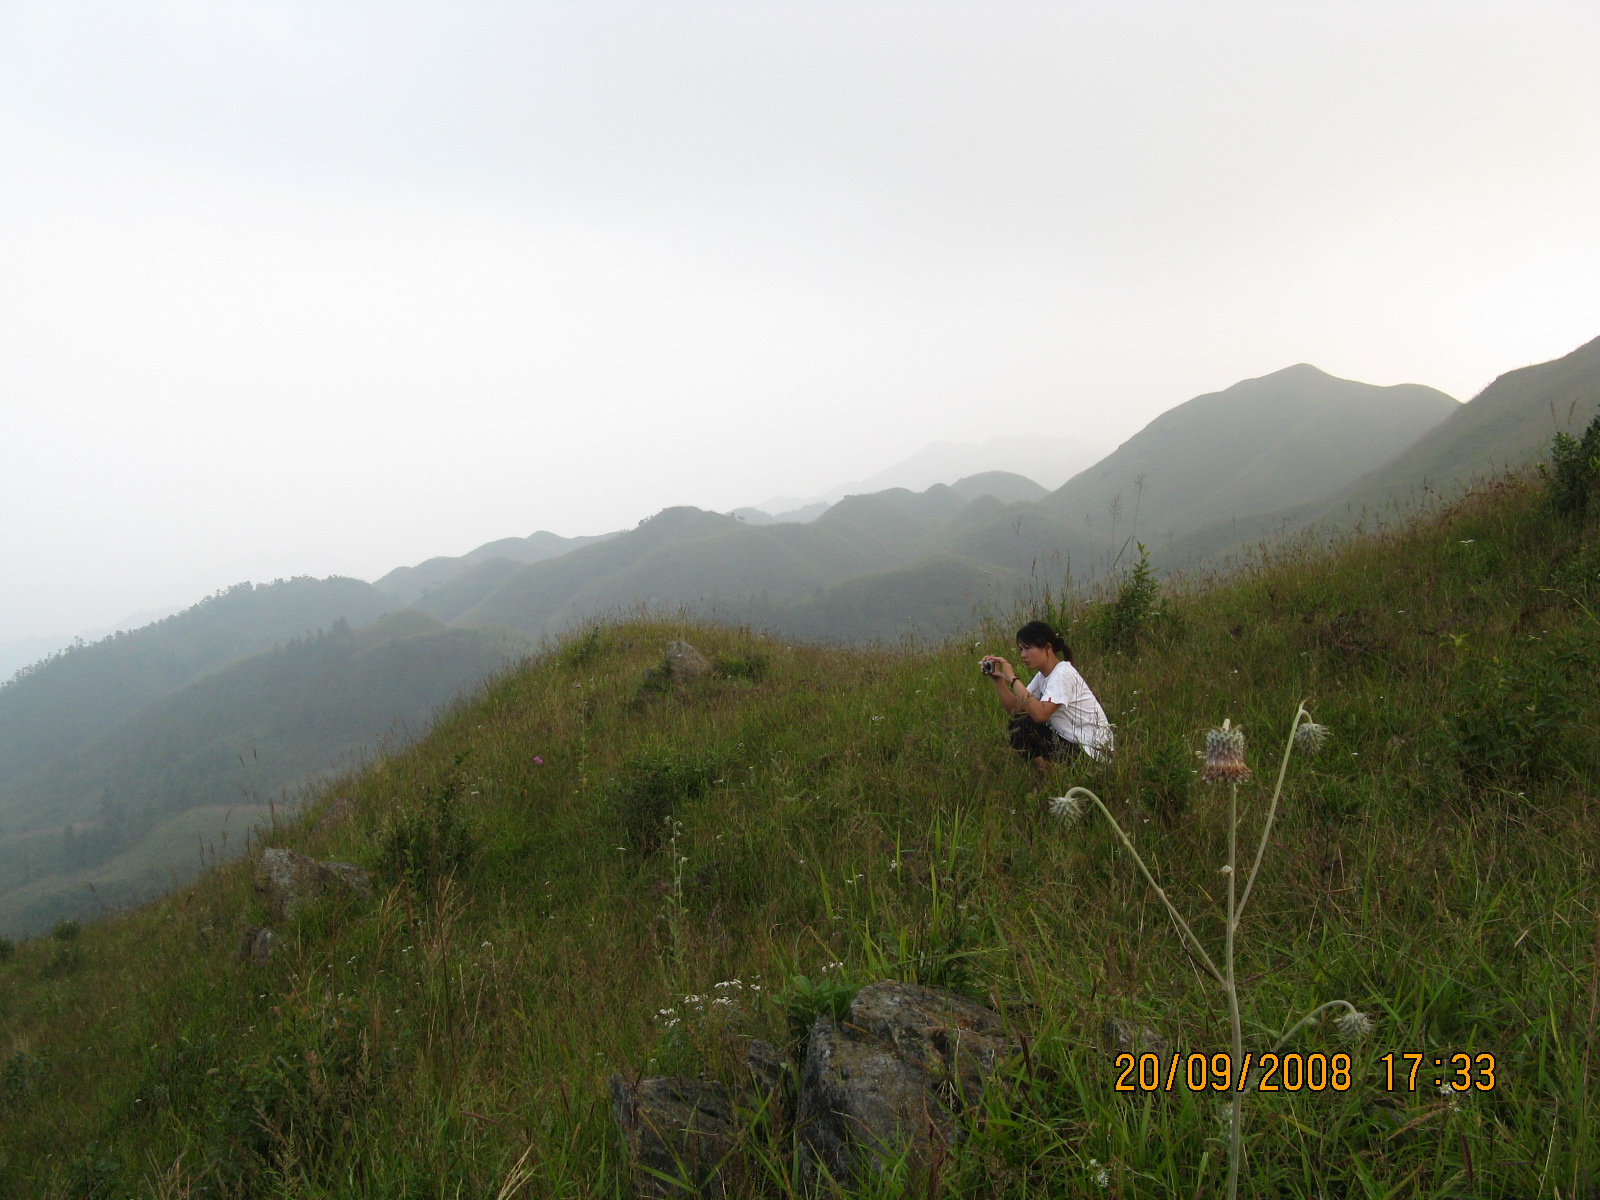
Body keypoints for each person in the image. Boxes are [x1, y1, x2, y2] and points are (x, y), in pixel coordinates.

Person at [981, 620, 1114, 770]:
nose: (1023, 655)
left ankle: (1052, 778)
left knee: (1024, 726)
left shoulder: (1062, 673)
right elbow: (1015, 710)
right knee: (1018, 724)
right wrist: (999, 680)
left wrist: (1013, 679)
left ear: (1048, 647)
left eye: (1028, 648)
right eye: (1020, 650)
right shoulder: (1043, 676)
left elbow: (1041, 715)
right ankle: (1053, 778)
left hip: (1093, 754)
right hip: (1074, 745)